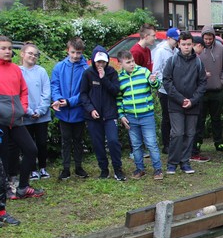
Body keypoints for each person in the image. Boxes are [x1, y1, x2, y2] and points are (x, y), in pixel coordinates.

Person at [0, 36, 44, 199]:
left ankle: (23, 187)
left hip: (16, 120)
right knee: (3, 156)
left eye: (9, 48)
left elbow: (23, 91)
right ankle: (5, 189)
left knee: (31, 150)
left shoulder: (15, 69)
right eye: (3, 48)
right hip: (1, 121)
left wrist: (23, 108)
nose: (7, 51)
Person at [162, 32, 207, 175]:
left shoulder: (198, 62)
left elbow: (202, 83)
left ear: (192, 45)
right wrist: (180, 99)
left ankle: (185, 162)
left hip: (193, 105)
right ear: (178, 45)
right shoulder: (172, 61)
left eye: (189, 44)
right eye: (183, 44)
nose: (186, 47)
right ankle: (172, 163)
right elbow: (166, 81)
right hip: (176, 104)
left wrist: (192, 100)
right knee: (177, 133)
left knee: (190, 133)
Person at [79, 46, 126, 181]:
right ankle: (104, 169)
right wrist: (90, 109)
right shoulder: (87, 74)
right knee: (97, 143)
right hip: (94, 116)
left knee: (113, 141)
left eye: (103, 62)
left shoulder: (112, 72)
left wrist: (104, 78)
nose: (100, 64)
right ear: (94, 61)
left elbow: (115, 91)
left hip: (109, 114)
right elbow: (83, 94)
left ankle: (117, 169)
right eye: (98, 62)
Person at [116, 50, 163, 180]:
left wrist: (153, 81)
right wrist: (121, 115)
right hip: (130, 117)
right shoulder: (120, 78)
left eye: (133, 61)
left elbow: (157, 85)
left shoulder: (144, 72)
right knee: (136, 145)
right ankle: (139, 169)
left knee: (151, 143)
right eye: (128, 62)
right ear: (120, 64)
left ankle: (158, 169)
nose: (132, 64)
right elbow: (118, 99)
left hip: (146, 115)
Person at [51, 36, 90, 180]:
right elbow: (54, 85)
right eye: (73, 52)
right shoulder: (59, 67)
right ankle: (66, 168)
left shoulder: (86, 69)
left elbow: (85, 92)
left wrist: (69, 102)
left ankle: (78, 167)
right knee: (65, 141)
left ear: (82, 52)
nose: (75, 56)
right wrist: (57, 99)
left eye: (78, 53)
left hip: (78, 112)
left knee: (78, 140)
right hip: (63, 113)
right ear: (67, 50)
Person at [194, 25, 223, 156]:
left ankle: (219, 142)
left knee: (216, 118)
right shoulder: (198, 49)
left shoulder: (220, 48)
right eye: (206, 39)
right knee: (200, 118)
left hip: (216, 89)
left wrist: (221, 81)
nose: (208, 41)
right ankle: (197, 142)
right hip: (202, 91)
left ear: (214, 37)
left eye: (210, 39)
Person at [19, 42, 52, 180]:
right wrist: (28, 111)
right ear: (22, 54)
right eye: (30, 53)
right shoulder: (18, 71)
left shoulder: (41, 71)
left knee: (42, 143)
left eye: (35, 54)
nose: (33, 56)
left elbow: (46, 92)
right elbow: (17, 94)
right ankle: (32, 169)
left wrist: (40, 110)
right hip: (25, 116)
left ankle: (43, 168)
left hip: (41, 116)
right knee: (29, 145)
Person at [152, 27, 180, 153]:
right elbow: (156, 71)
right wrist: (163, 85)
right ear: (168, 38)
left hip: (176, 89)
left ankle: (175, 141)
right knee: (166, 116)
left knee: (175, 116)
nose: (177, 42)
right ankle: (166, 144)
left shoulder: (176, 51)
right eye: (175, 40)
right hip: (164, 90)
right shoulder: (161, 51)